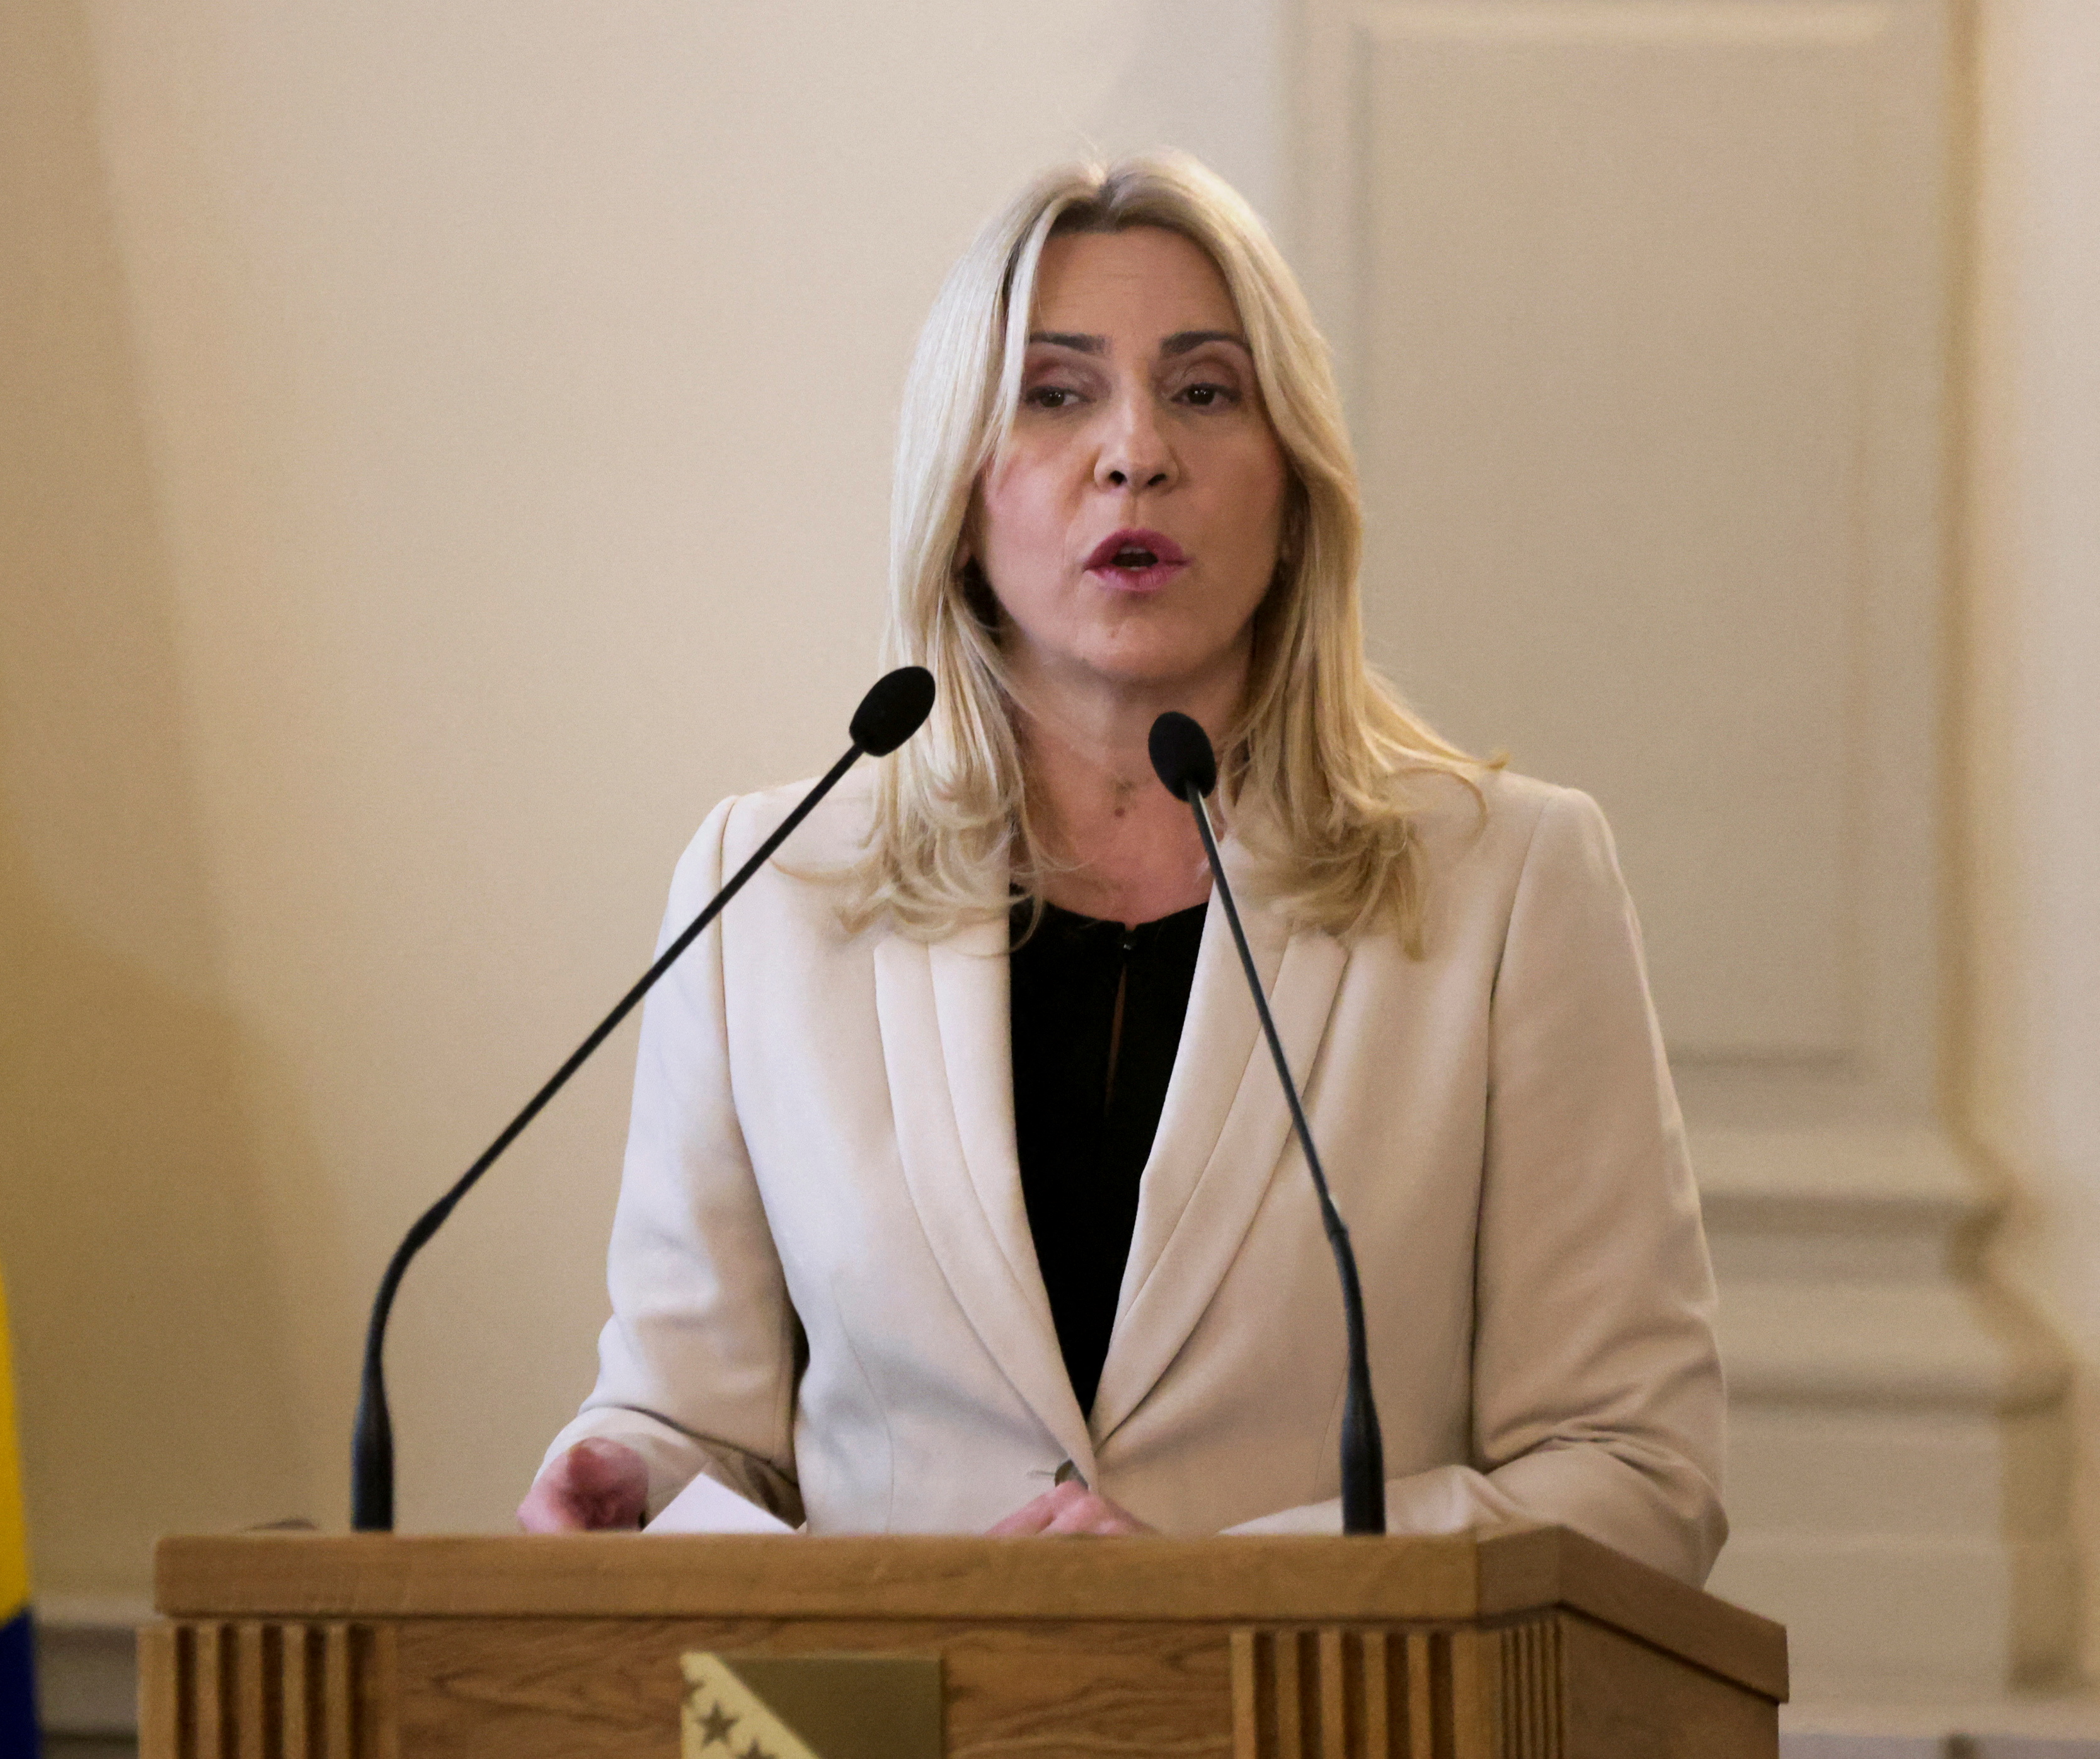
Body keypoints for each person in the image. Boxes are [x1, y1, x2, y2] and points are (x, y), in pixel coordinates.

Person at [516, 153, 1727, 1583]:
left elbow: (1637, 1472)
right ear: (962, 487)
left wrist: (1226, 1591)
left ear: (1294, 486)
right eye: (1056, 391)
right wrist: (628, 1472)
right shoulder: (769, 886)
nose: (1134, 449)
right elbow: (696, 1421)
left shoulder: (1508, 884)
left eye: (1205, 391)